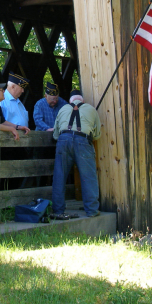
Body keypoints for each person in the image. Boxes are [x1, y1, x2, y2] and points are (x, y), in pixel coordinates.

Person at [51, 89, 102, 219]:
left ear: (70, 101)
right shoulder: (91, 109)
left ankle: (58, 211)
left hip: (63, 141)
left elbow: (55, 134)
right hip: (83, 141)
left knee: (59, 176)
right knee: (88, 177)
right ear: (82, 100)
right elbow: (97, 135)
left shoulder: (62, 109)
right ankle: (92, 210)